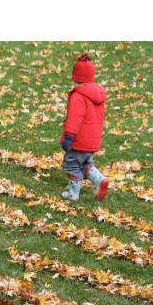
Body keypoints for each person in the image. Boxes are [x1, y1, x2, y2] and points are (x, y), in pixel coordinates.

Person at [60, 54, 109, 201]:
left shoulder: (78, 96)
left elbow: (74, 119)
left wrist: (68, 137)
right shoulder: (97, 94)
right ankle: (100, 180)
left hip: (79, 140)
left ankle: (73, 194)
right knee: (85, 164)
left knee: (70, 165)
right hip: (92, 141)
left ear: (76, 78)